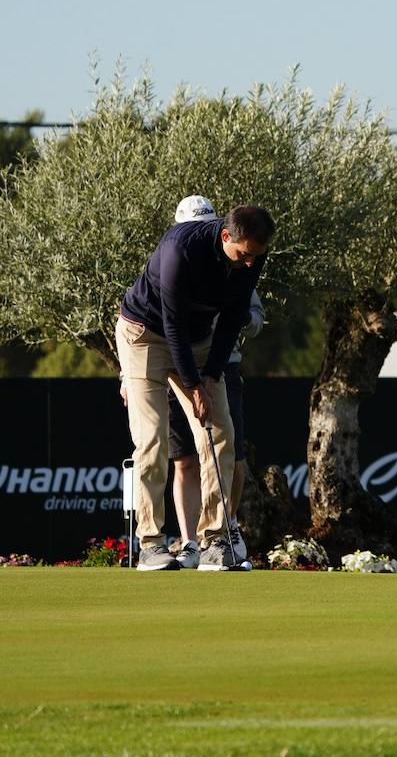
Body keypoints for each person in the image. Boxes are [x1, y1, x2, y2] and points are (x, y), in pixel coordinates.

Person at [116, 204, 274, 571]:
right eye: (245, 255)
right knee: (152, 440)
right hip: (145, 336)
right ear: (225, 236)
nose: (250, 264)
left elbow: (234, 317)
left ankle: (216, 539)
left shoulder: (252, 254)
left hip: (201, 342)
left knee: (221, 435)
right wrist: (193, 386)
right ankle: (151, 544)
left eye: (257, 256)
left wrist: (211, 375)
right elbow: (172, 325)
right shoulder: (179, 249)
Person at [162, 196, 265, 568]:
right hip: (176, 363)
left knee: (228, 451)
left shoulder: (243, 258)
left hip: (219, 365)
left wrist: (211, 370)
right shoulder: (178, 257)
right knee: (184, 460)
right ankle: (190, 541)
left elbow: (250, 313)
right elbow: (165, 323)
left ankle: (221, 530)